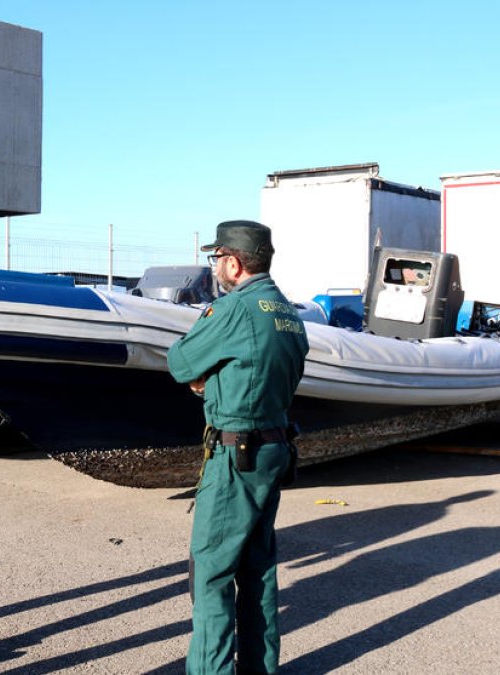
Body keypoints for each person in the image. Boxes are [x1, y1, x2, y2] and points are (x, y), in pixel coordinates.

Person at [166, 220, 309, 675]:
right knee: (257, 570)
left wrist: (203, 383)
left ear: (234, 262)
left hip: (235, 455)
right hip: (273, 448)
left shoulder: (233, 310)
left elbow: (180, 361)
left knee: (211, 571)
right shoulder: (287, 313)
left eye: (217, 258)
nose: (215, 267)